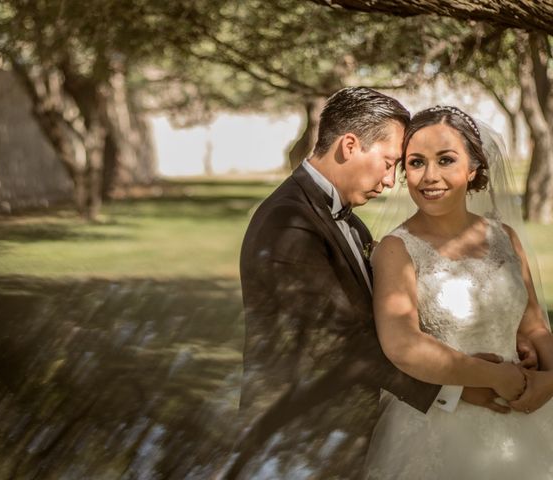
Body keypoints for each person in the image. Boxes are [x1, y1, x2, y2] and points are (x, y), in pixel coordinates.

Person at [222, 89, 530, 479]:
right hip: (300, 438)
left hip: (343, 432)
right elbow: (334, 341)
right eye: (389, 164)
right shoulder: (290, 222)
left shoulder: (349, 220)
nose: (389, 182)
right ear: (350, 145)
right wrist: (456, 385)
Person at [364, 106, 553, 479]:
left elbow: (534, 326)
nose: (429, 176)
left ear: (473, 168)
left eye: (446, 160)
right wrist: (493, 376)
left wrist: (550, 380)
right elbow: (402, 345)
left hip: (526, 408)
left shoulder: (505, 237)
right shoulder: (396, 249)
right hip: (439, 425)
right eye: (416, 163)